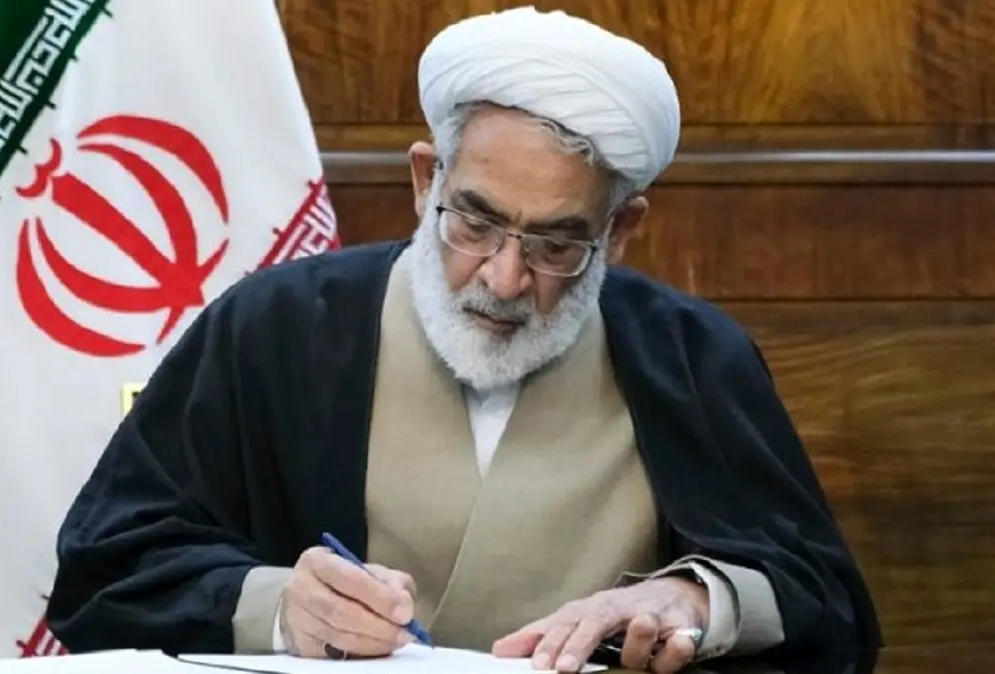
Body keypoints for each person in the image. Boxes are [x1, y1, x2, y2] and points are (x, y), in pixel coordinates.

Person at [44, 7, 881, 674]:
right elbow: (105, 568)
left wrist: (699, 600)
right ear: (425, 181)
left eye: (556, 244)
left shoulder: (693, 357)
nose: (504, 278)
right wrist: (279, 610)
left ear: (620, 230)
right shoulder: (280, 326)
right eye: (474, 222)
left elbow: (829, 606)